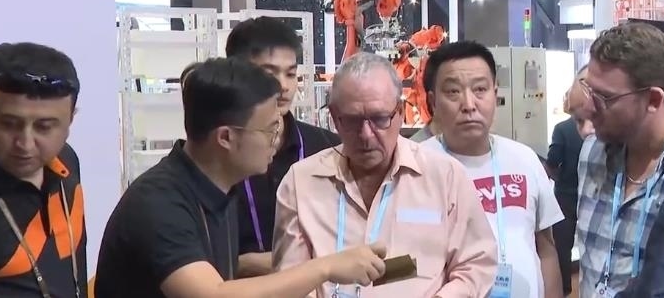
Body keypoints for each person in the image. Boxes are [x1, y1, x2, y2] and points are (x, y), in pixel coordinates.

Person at [94, 58, 387, 298]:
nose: (276, 139)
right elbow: (213, 294)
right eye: (269, 130)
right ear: (225, 137)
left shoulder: (219, 191)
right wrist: (325, 268)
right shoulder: (158, 203)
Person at [273, 52, 498, 297]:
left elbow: (475, 264)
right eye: (353, 120)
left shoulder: (445, 177)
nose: (366, 134)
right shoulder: (301, 183)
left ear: (400, 112)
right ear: (335, 118)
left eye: (380, 119)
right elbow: (289, 281)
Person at [573, 22, 664, 296]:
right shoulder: (592, 152)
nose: (588, 107)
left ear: (654, 99)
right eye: (588, 90)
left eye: (604, 97)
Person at [419, 41, 565, 298]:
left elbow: (546, 249)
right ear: (433, 101)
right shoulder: (416, 166)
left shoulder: (525, 159)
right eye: (453, 92)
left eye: (480, 89)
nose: (469, 104)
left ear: (495, 93)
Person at [224, 17, 341, 277]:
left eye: (291, 74)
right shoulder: (220, 154)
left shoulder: (328, 148)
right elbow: (211, 261)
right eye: (270, 74)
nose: (284, 86)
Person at [0, 43, 87, 297]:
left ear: (71, 119)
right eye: (9, 124)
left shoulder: (66, 161)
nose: (25, 144)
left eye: (44, 127)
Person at [545, 71, 594, 297]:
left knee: (562, 247)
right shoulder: (600, 133)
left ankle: (565, 289)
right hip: (590, 194)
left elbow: (553, 161)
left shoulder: (561, 129)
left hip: (565, 196)